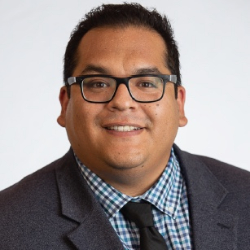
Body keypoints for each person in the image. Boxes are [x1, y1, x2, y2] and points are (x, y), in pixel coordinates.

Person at [0, 3, 249, 250]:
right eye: (97, 83)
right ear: (65, 105)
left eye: (147, 83)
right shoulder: (7, 225)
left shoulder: (245, 195)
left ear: (179, 104)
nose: (122, 101)